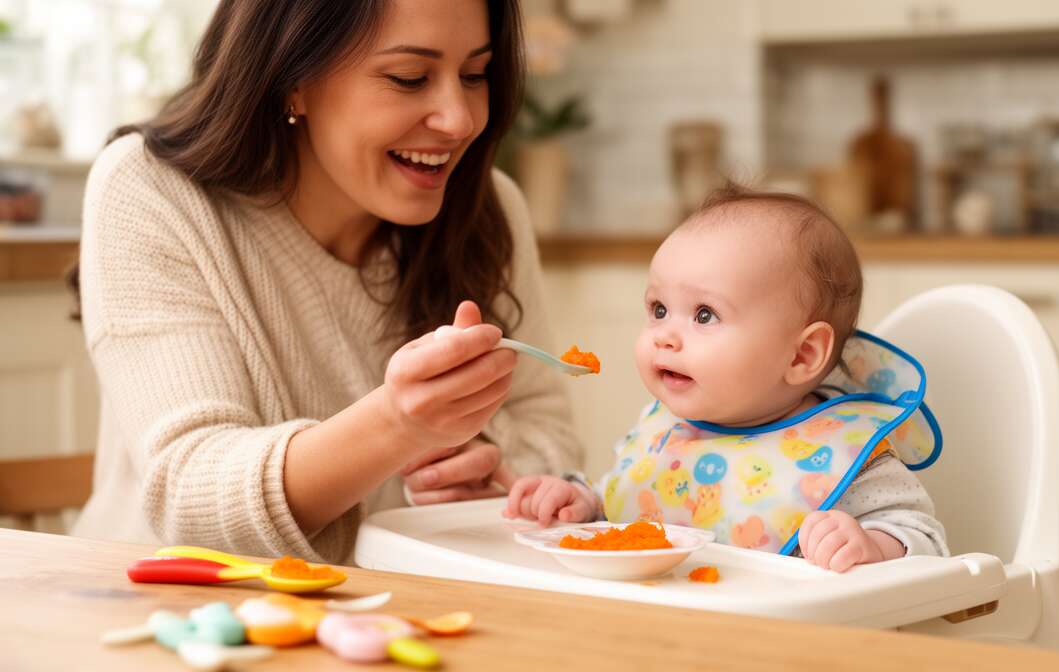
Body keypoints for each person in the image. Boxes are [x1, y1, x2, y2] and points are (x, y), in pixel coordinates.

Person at [71, 0, 582, 563]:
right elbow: (189, 493)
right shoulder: (151, 191)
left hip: (402, 605)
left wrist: (494, 478)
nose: (459, 120)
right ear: (293, 79)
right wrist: (397, 425)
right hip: (168, 603)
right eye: (409, 77)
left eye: (474, 75)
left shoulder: (489, 209)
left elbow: (551, 437)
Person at [504, 187, 948, 572]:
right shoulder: (664, 430)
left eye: (704, 315)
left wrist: (872, 545)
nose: (664, 336)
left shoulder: (845, 454)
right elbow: (628, 499)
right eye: (659, 309)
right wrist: (582, 502)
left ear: (802, 355)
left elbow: (926, 539)